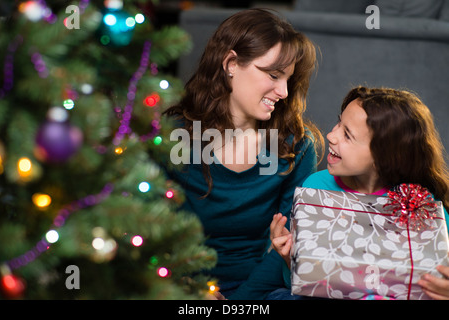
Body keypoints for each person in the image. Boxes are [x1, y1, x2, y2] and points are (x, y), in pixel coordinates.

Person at [163, 8, 323, 299]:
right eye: (273, 75)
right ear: (231, 63)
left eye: (288, 79)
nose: (284, 91)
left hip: (258, 288)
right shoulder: (173, 137)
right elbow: (145, 229)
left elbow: (287, 246)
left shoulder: (295, 146)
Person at [270, 86, 449, 300]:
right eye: (339, 123)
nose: (331, 135)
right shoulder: (316, 188)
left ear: (384, 157)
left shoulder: (420, 204)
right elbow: (302, 286)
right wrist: (291, 258)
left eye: (347, 135)